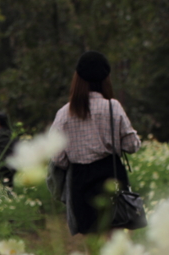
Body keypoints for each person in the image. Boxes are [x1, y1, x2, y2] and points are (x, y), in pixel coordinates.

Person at [51, 51, 141, 237]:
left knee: (91, 252)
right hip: (111, 175)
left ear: (77, 79)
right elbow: (132, 145)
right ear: (105, 79)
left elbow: (57, 157)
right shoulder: (112, 107)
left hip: (79, 181)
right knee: (111, 250)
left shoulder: (64, 113)